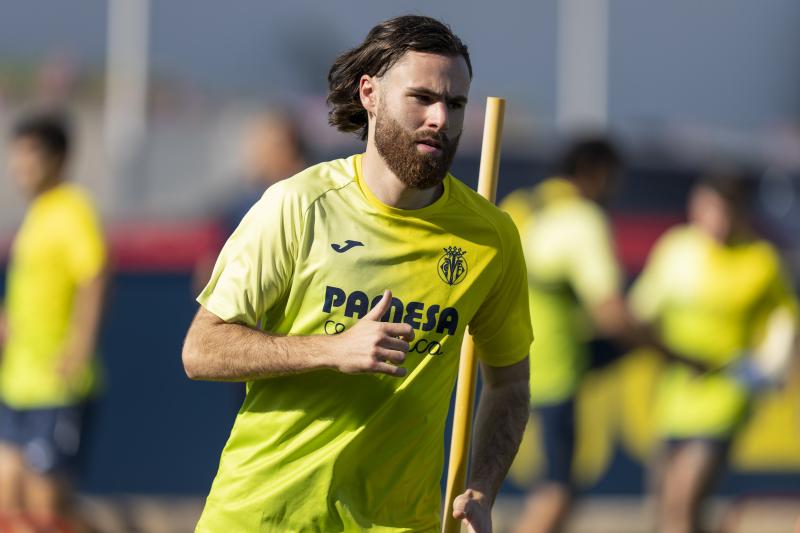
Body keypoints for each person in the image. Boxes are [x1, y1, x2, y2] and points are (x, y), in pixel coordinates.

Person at [182, 15, 532, 533]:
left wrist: (481, 488)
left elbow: (509, 383)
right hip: (264, 517)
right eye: (421, 98)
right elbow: (201, 351)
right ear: (370, 94)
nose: (439, 118)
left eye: (454, 104)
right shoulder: (297, 206)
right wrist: (333, 349)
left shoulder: (490, 237)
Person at [504, 138, 689, 533]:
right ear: (597, 175)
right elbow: (612, 317)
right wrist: (667, 353)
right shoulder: (583, 219)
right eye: (614, 182)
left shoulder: (520, 205)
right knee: (558, 489)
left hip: (497, 359)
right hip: (552, 369)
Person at [629, 174, 798, 533]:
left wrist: (769, 366)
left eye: (723, 211)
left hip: (727, 393)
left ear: (739, 212)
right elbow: (642, 311)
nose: (714, 220)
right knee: (663, 507)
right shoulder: (676, 249)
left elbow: (786, 322)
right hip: (677, 393)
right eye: (706, 209)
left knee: (683, 496)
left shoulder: (761, 260)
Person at [0, 112, 107, 532]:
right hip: (17, 380)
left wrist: (79, 346)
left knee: (47, 504)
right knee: (8, 494)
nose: (18, 165)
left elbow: (95, 276)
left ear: (58, 158)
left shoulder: (73, 209)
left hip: (56, 382)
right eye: (16, 155)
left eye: (29, 154)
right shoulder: (36, 215)